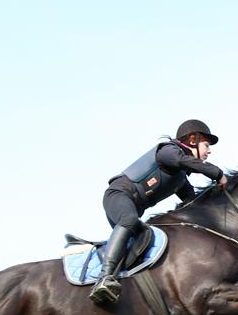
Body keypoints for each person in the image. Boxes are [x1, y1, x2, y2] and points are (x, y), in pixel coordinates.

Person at [90, 119, 228, 305]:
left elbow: (192, 202)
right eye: (206, 145)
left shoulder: (180, 178)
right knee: (130, 220)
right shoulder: (168, 151)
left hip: (130, 206)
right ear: (193, 140)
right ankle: (104, 278)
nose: (209, 151)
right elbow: (182, 160)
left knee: (146, 240)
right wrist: (217, 173)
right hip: (119, 195)